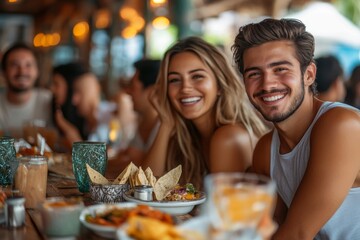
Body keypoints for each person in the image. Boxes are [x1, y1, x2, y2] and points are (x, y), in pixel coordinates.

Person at [232, 18, 360, 239]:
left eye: (280, 69)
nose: (267, 84)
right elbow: (273, 227)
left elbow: (298, 233)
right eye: (254, 74)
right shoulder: (265, 149)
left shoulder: (340, 125)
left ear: (309, 74)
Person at [142, 36, 269, 189]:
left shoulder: (228, 137)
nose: (185, 88)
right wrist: (166, 123)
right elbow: (144, 190)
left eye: (197, 76)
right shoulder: (185, 136)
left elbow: (224, 212)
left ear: (220, 85)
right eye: (175, 80)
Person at [106, 59, 161, 178]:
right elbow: (131, 162)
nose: (127, 92)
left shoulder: (163, 126)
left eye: (132, 86)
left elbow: (147, 174)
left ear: (152, 91)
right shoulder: (144, 122)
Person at [55, 69, 122, 155]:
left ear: (89, 93)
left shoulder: (109, 112)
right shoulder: (87, 122)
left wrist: (67, 128)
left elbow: (91, 156)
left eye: (78, 92)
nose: (73, 100)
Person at [0, 42, 52, 138]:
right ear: (4, 71)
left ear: (37, 71)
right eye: (14, 65)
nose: (22, 71)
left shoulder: (49, 101)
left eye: (28, 65)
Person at [50, 62, 88, 152]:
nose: (51, 89)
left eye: (56, 84)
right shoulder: (57, 108)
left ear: (70, 86)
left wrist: (63, 124)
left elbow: (82, 152)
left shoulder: (85, 113)